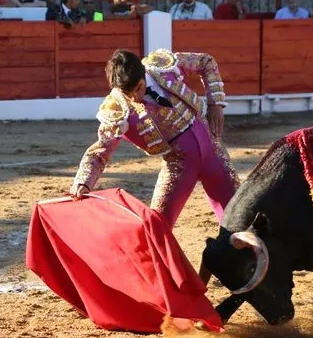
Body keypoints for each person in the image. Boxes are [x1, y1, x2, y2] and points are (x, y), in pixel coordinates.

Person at [70, 48, 240, 228]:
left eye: (138, 89)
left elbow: (206, 62)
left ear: (143, 75)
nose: (135, 97)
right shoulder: (117, 107)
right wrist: (83, 181)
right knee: (157, 227)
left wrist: (216, 104)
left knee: (240, 215)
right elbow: (101, 150)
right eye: (128, 94)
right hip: (180, 163)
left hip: (213, 151)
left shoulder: (162, 66)